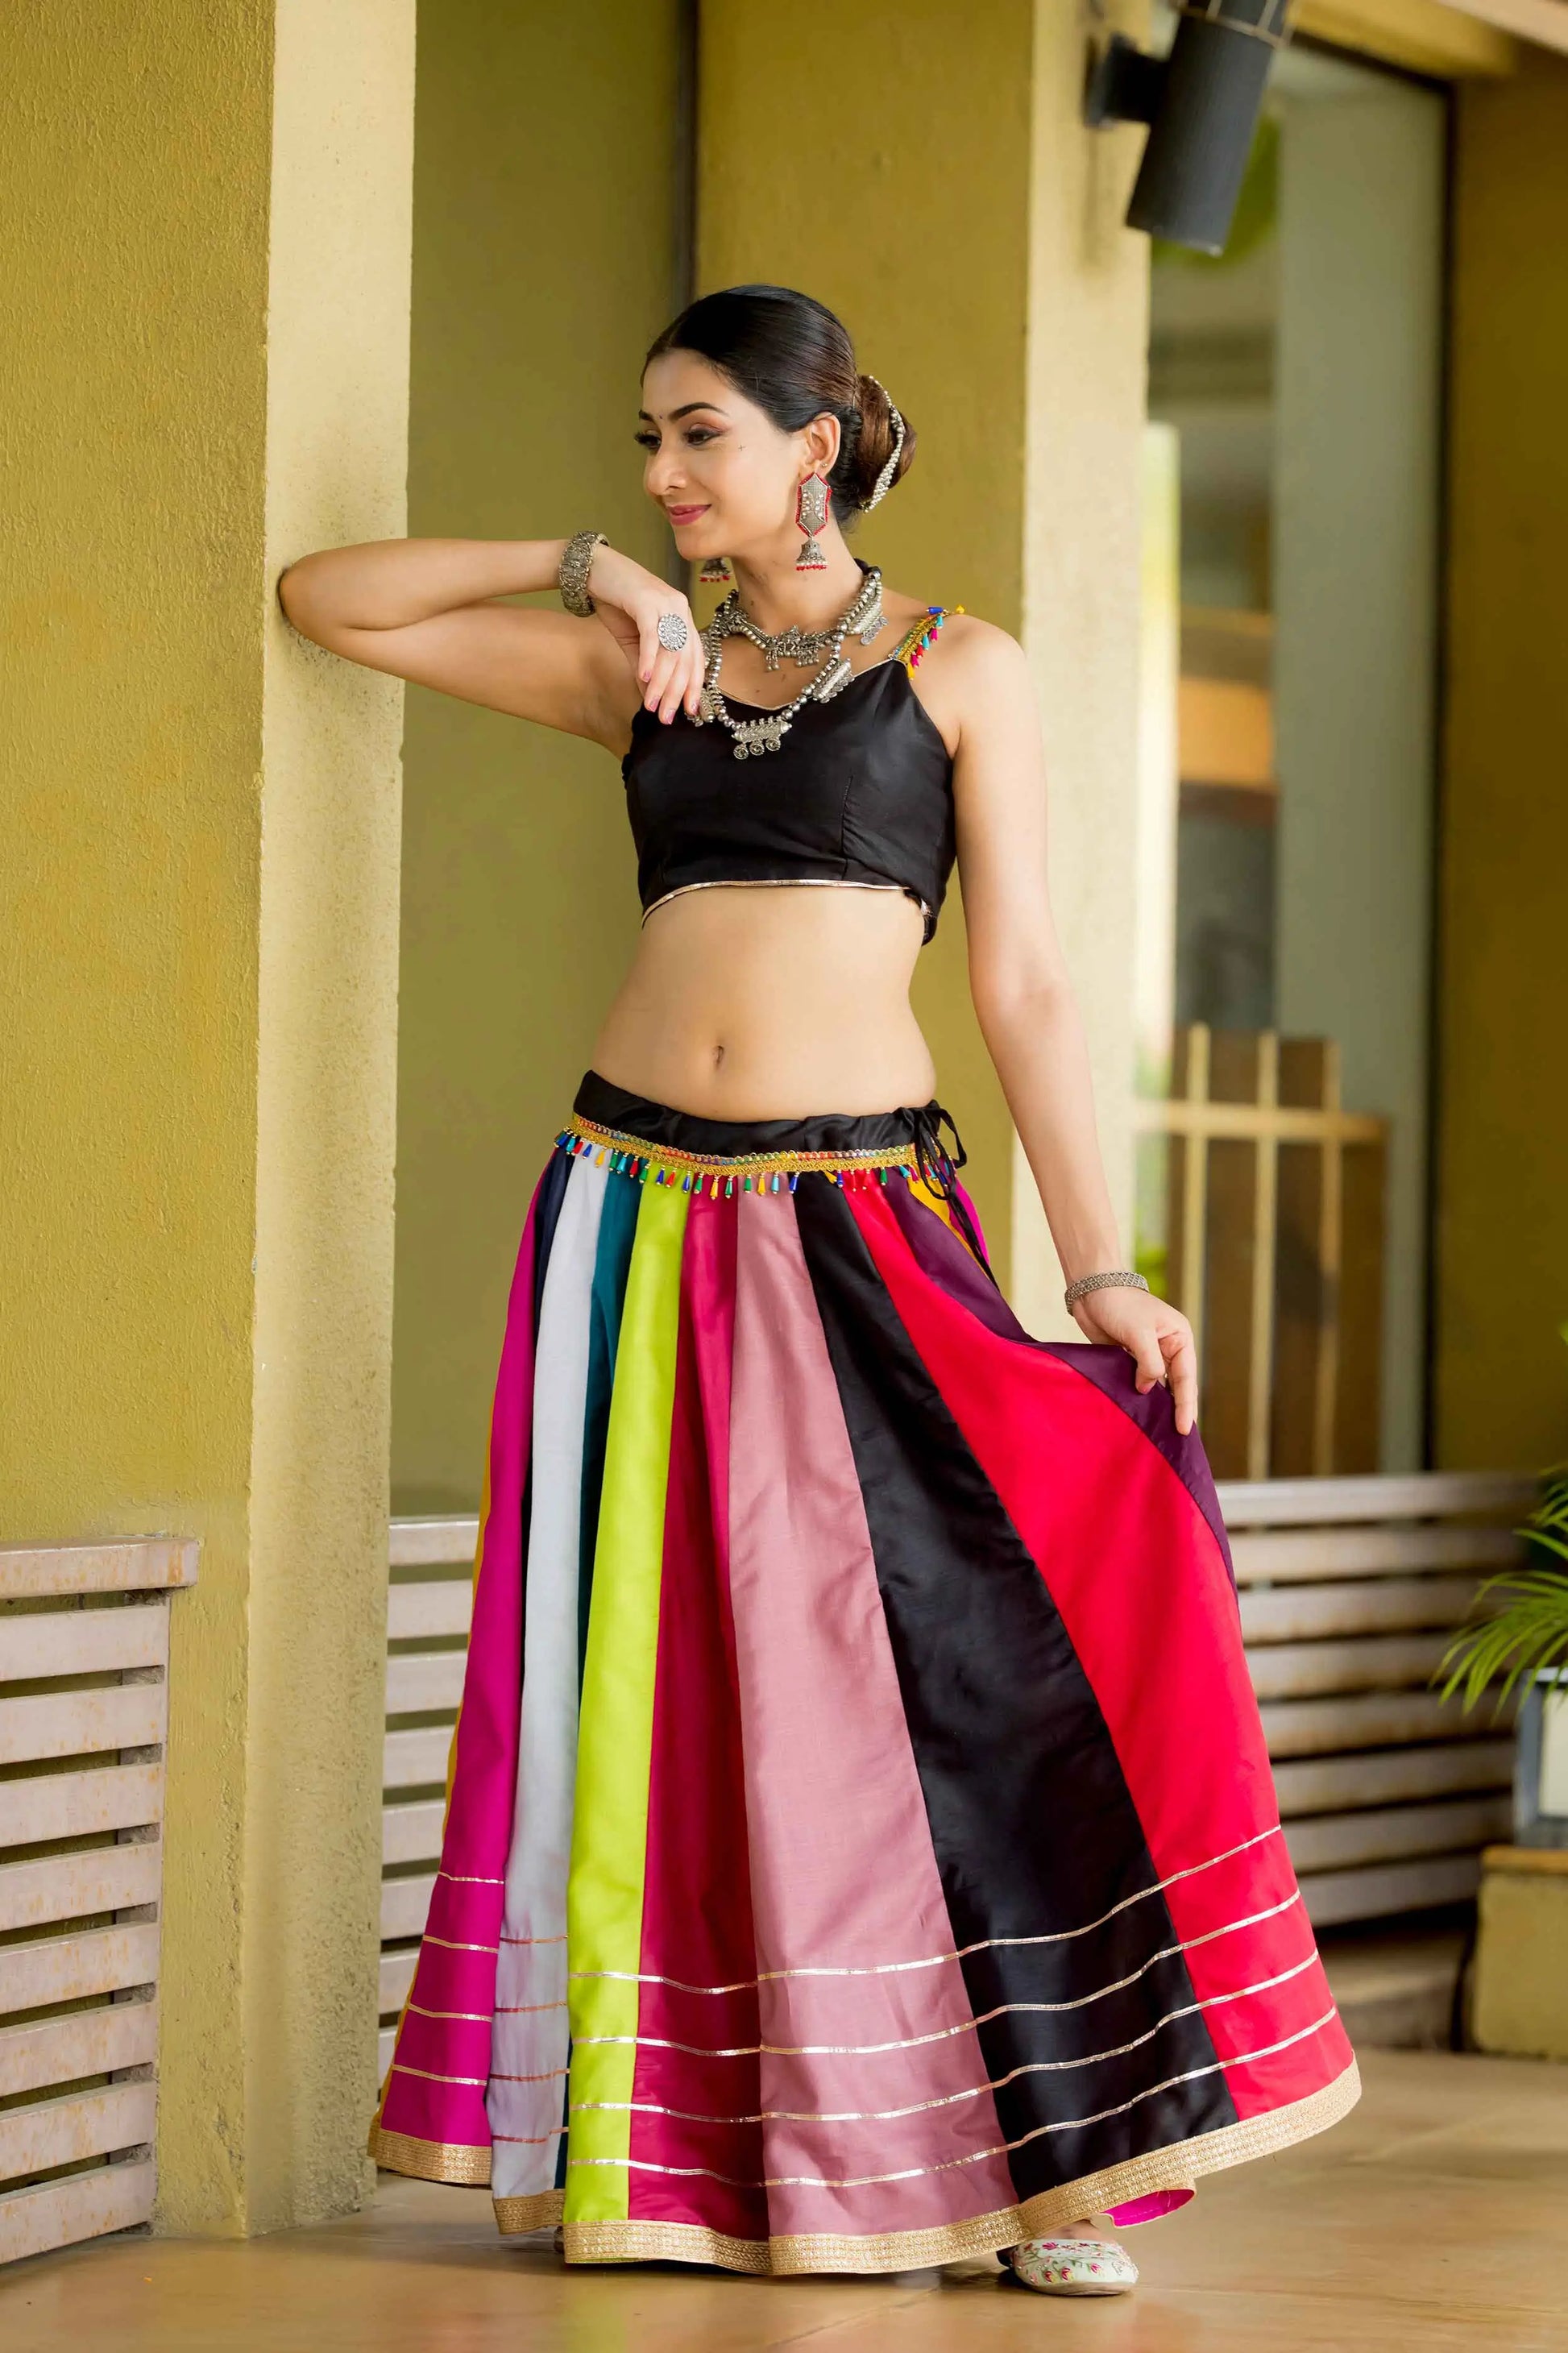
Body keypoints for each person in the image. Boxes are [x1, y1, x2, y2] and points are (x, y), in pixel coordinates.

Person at [280, 284, 1357, 2297]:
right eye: (648, 440)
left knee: (964, 1668)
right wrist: (587, 570)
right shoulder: (649, 670)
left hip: (860, 1222)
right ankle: (682, 2153)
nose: (666, 472)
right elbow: (324, 598)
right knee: (668, 1689)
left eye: (698, 433)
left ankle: (1054, 2166)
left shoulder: (959, 670)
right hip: (627, 1219)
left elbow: (1024, 984)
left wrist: (1099, 1263)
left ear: (816, 443)